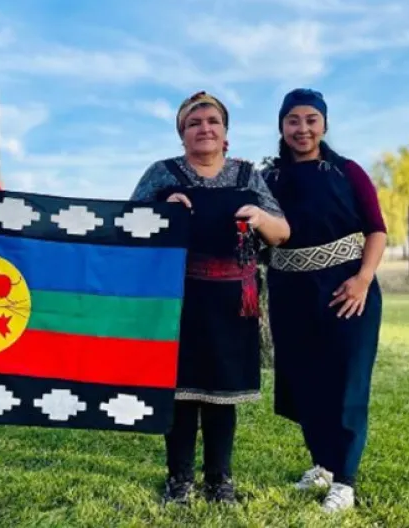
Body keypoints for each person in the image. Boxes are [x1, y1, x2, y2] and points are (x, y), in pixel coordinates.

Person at [130, 91, 290, 506]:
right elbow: (128, 225)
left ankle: (220, 480)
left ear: (225, 133)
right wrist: (162, 207)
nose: (204, 128)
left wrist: (260, 218)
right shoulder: (161, 173)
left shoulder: (247, 176)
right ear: (182, 134)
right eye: (194, 123)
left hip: (233, 300)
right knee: (181, 394)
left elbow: (282, 232)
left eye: (212, 121)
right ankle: (179, 480)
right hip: (179, 298)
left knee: (223, 393)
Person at [262, 89, 386, 513]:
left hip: (346, 289)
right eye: (293, 120)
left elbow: (376, 229)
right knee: (305, 382)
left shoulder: (347, 172)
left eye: (311, 119)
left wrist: (363, 280)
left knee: (346, 381)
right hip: (289, 291)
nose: (302, 128)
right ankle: (323, 464)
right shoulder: (269, 179)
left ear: (325, 125)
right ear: (282, 126)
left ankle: (345, 482)